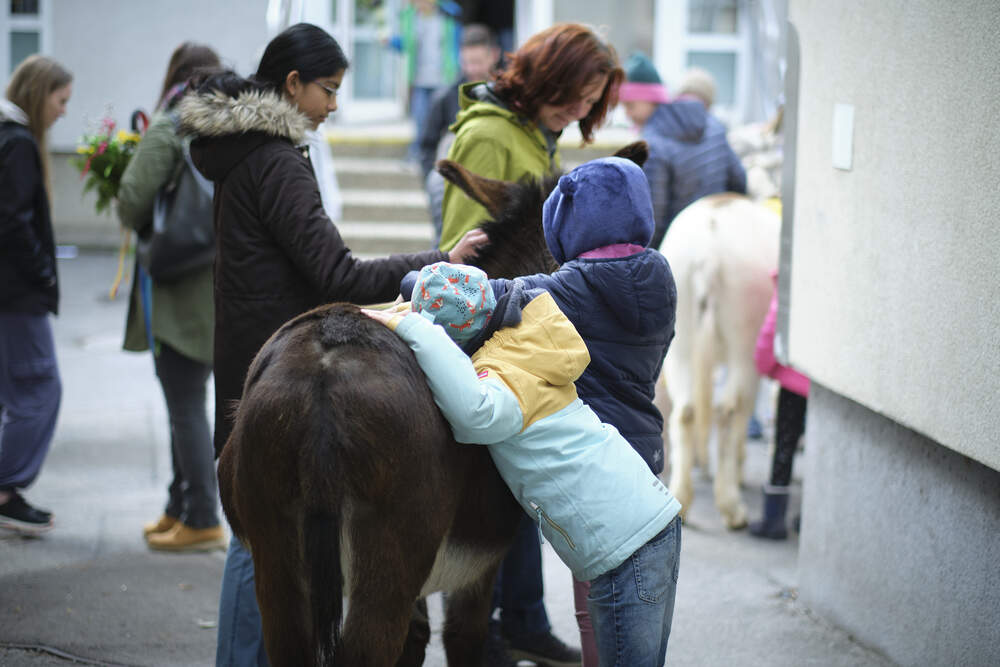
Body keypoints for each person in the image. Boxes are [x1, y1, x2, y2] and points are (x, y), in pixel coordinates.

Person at [178, 23, 485, 666]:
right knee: (259, 545)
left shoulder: (244, 152)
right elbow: (335, 274)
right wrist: (436, 261)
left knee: (257, 533)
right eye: (328, 89)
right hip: (277, 374)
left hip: (253, 358)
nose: (335, 105)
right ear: (293, 84)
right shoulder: (274, 161)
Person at [363, 261, 683, 666]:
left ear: (449, 341)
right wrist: (398, 315)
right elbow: (453, 308)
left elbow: (474, 415)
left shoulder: (504, 376)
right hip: (649, 528)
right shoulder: (526, 345)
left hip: (626, 551)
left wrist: (416, 331)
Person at [116, 43, 225, 552]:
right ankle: (178, 506)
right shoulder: (226, 128)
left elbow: (131, 200)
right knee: (190, 398)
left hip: (178, 291)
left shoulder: (170, 125)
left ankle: (202, 516)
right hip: (218, 284)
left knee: (184, 403)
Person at [438, 22, 623, 252]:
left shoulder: (541, 134)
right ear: (542, 78)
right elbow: (461, 253)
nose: (579, 111)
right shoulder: (487, 135)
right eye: (572, 95)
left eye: (590, 102)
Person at [0, 55, 73, 536]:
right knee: (39, 390)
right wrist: (44, 274)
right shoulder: (19, 143)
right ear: (39, 92)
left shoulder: (7, 137)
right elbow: (12, 221)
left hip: (8, 295)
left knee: (14, 391)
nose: (63, 111)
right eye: (60, 100)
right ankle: (4, 490)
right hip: (16, 295)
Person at [619, 56, 747, 250]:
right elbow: (738, 181)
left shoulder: (652, 143)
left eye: (630, 105)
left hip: (679, 246)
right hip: (719, 238)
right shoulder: (713, 124)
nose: (627, 114)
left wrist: (644, 255)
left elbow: (653, 215)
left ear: (651, 99)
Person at [418, 23, 501, 247]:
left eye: (477, 62)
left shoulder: (508, 97)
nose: (471, 69)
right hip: (450, 191)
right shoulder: (445, 97)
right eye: (466, 62)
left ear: (494, 55)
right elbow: (426, 145)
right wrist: (434, 180)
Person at [749, 270, 810, 539]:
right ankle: (809, 516)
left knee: (784, 445)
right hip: (822, 385)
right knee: (816, 449)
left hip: (794, 379)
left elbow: (775, 321)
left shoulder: (795, 272)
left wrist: (763, 363)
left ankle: (773, 518)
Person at [392, 0, 462, 162]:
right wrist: (391, 42)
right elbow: (407, 44)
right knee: (420, 117)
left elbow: (456, 42)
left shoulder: (447, 16)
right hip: (420, 79)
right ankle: (417, 153)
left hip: (443, 78)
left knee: (443, 119)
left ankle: (445, 153)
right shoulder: (411, 18)